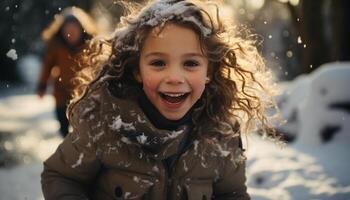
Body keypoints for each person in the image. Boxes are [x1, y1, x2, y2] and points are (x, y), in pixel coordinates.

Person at [41, 0, 281, 199]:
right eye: (158, 63)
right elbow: (61, 176)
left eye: (190, 63)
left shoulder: (220, 132)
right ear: (137, 70)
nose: (175, 78)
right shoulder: (104, 124)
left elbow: (233, 193)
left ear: (209, 71)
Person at [37, 7, 97, 137]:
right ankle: (68, 151)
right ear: (61, 31)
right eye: (67, 30)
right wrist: (42, 85)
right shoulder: (56, 46)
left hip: (83, 95)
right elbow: (47, 67)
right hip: (61, 94)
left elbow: (99, 67)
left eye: (74, 30)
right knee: (64, 129)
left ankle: (81, 153)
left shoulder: (91, 45)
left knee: (82, 130)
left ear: (81, 29)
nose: (71, 34)